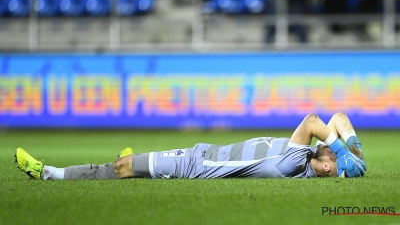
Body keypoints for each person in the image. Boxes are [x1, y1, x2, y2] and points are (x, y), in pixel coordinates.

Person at [15, 112, 366, 180]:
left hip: (195, 166)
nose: (327, 149)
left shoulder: (294, 162)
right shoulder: (307, 156)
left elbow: (312, 121)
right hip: (203, 152)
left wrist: (340, 152)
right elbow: (337, 117)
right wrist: (350, 148)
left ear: (324, 166)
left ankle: (47, 173)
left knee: (122, 169)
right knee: (130, 163)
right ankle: (132, 160)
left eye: (331, 156)